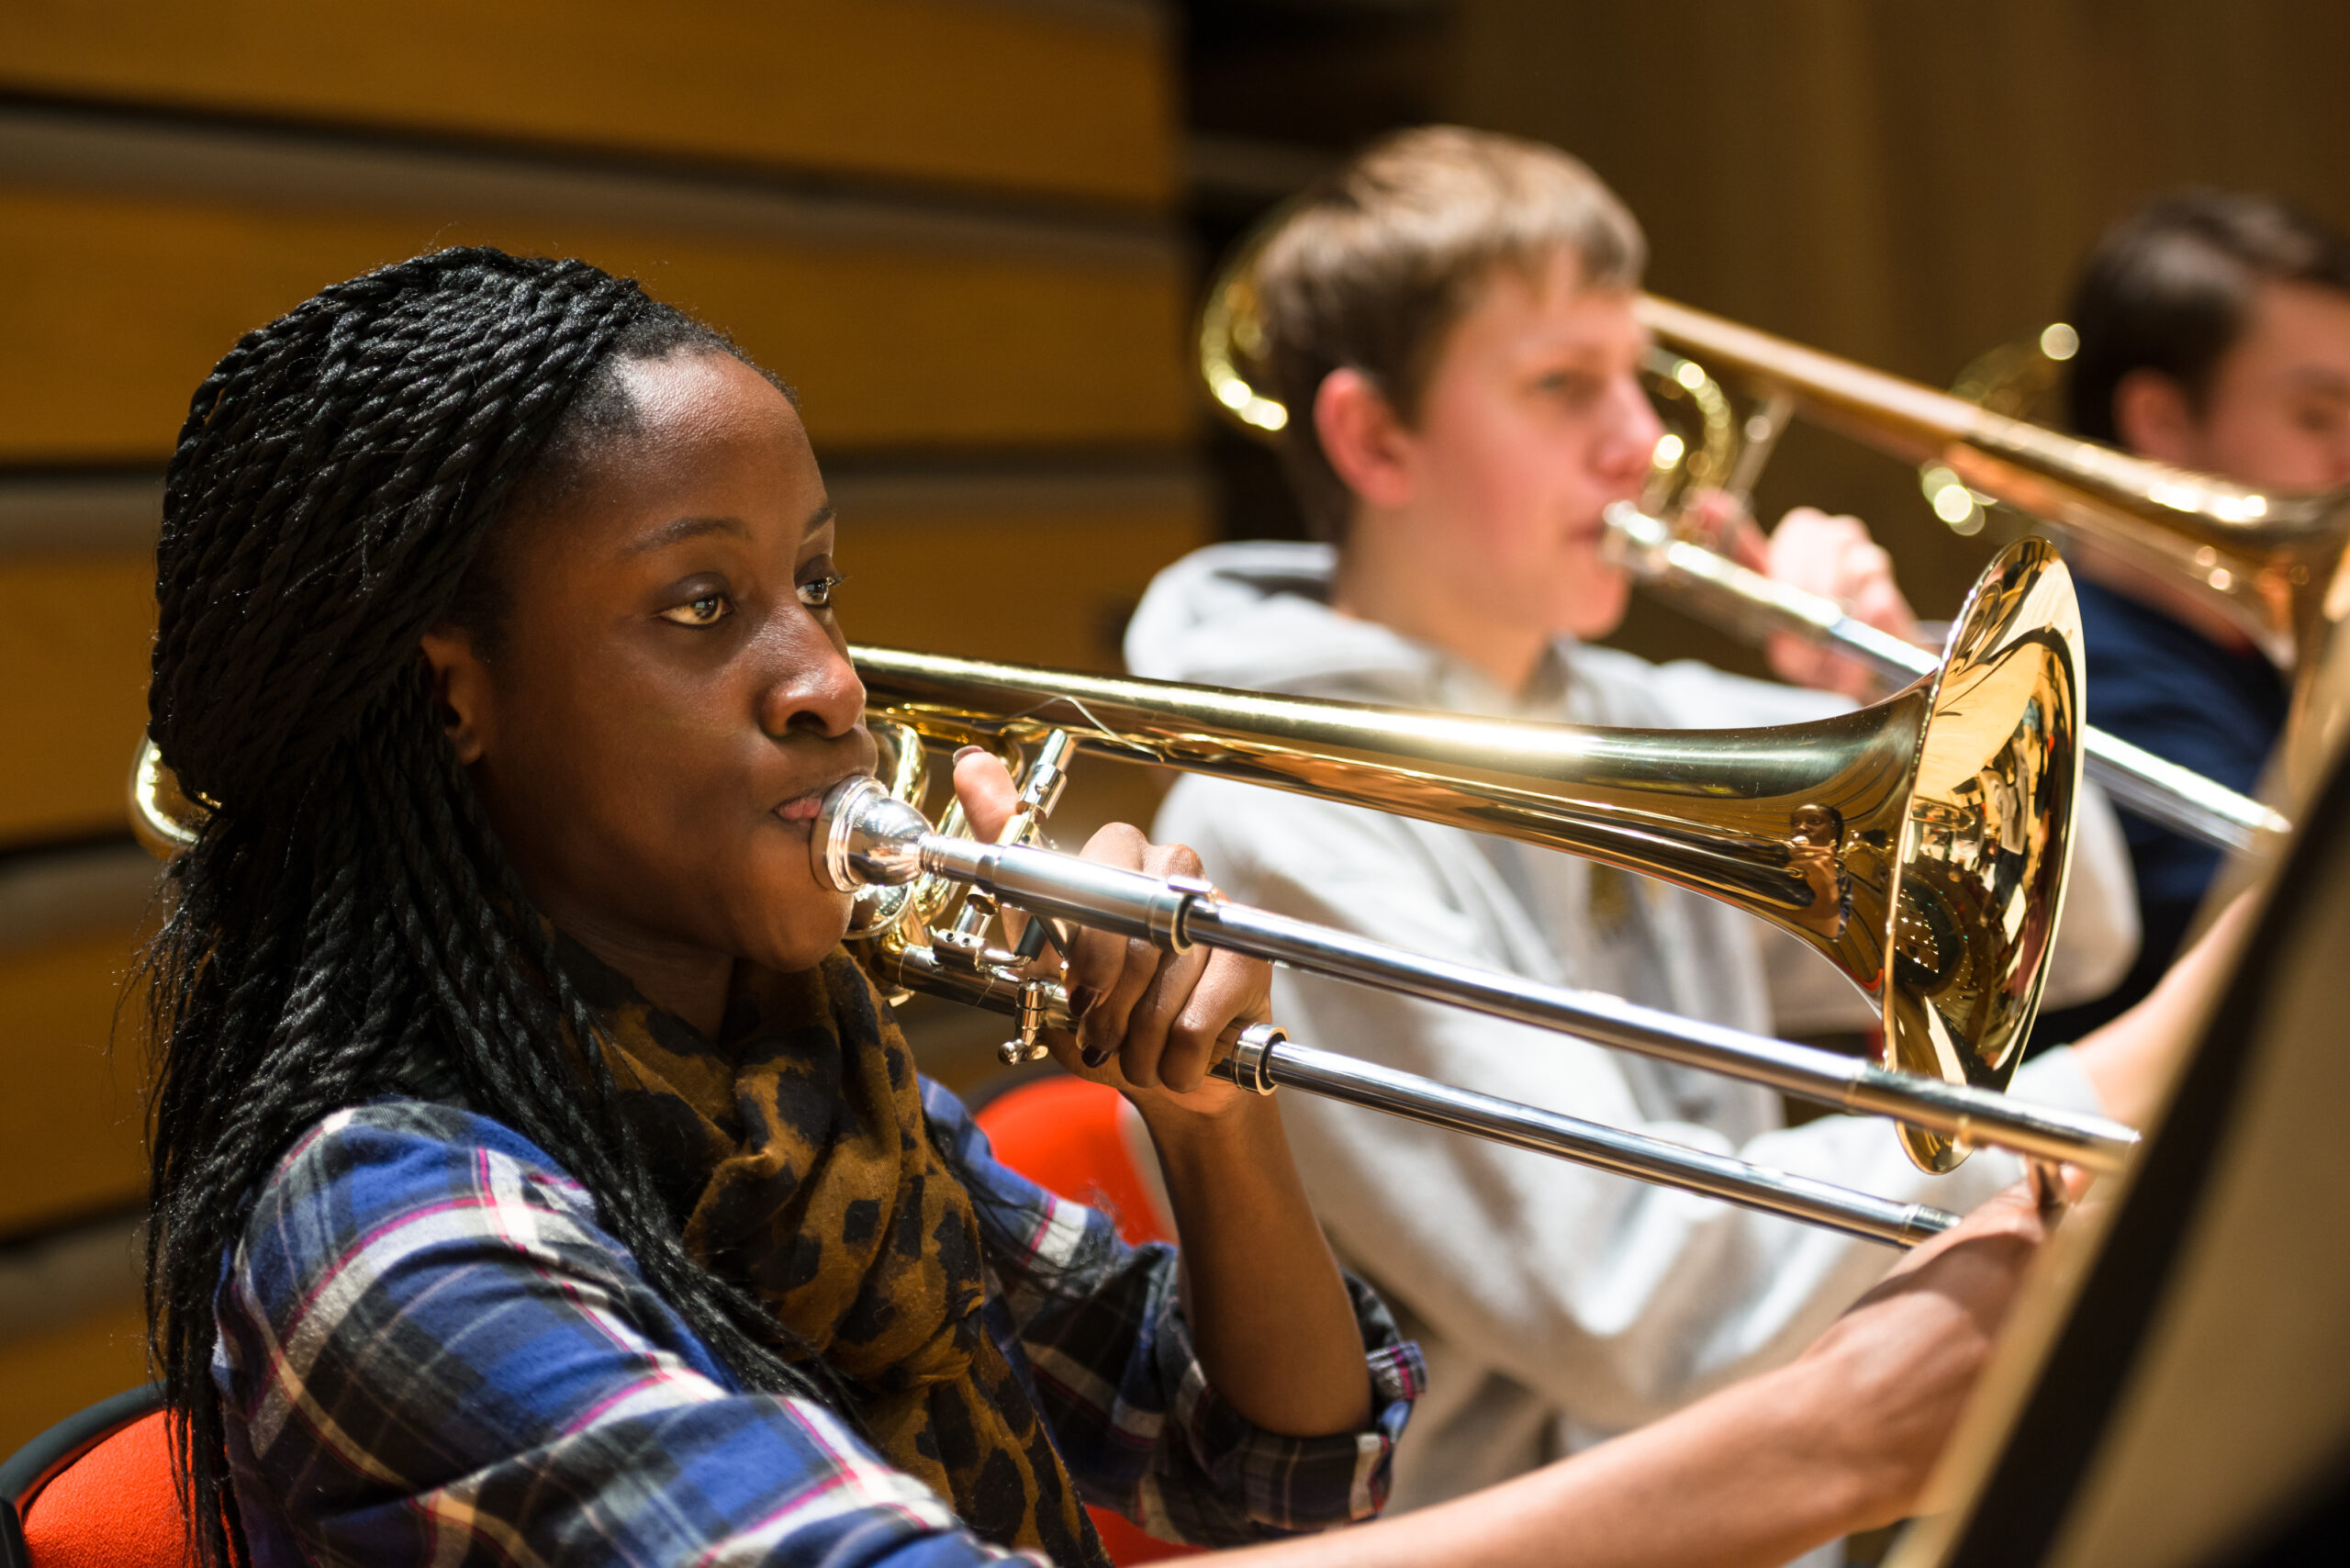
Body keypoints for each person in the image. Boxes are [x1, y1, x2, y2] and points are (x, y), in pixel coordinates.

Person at [140, 245, 2113, 1568]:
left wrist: (1211, 1104)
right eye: (695, 605)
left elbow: (1255, 1465)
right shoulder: (398, 1230)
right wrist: (1818, 1441)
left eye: (810, 581)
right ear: (450, 694)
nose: (827, 675)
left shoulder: (787, 1078)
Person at [1125, 127, 2152, 1535]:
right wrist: (2086, 1117)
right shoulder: (1273, 814)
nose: (1644, 443)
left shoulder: (1635, 707)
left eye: (1638, 380)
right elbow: (1631, 1306)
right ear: (1375, 437)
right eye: (1562, 387)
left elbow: (2075, 929)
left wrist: (1897, 686)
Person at [2034, 190, 2350, 1040]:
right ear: (2161, 420)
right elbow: (2307, 973)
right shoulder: (2076, 675)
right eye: (2317, 415)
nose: (2346, 455)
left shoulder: (2263, 652)